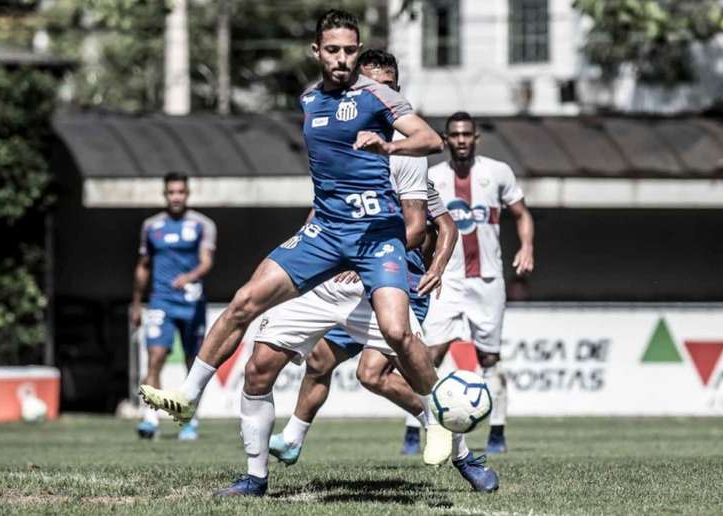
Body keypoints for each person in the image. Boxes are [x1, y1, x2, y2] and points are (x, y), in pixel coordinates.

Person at [140, 7, 443, 478]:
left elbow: (429, 139)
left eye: (350, 50)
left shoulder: (377, 95)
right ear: (317, 51)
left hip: (376, 235)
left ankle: (437, 418)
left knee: (397, 333)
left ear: (358, 52)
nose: (342, 58)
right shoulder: (308, 100)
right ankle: (189, 395)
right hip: (324, 233)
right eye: (334, 50)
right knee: (245, 300)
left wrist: (389, 146)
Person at [261, 51, 497, 493]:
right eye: (371, 86)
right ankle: (292, 438)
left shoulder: (406, 157)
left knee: (378, 373)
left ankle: (461, 451)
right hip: (353, 276)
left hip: (396, 277)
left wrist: (438, 264)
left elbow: (438, 224)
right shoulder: (343, 150)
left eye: (387, 87)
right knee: (320, 360)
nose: (378, 95)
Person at [425, 111, 535, 455]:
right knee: (428, 357)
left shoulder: (497, 172)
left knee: (489, 358)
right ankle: (420, 431)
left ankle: (497, 432)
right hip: (447, 280)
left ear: (476, 139)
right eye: (454, 135)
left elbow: (522, 213)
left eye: (466, 135)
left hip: (487, 280)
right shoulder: (431, 177)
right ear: (445, 140)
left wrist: (527, 247)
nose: (460, 140)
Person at [131, 172, 216, 440]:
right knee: (155, 358)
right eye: (171, 192)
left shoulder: (203, 224)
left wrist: (189, 277)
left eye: (180, 192)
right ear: (165, 195)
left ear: (187, 194)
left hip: (191, 302)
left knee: (193, 362)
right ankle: (150, 419)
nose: (176, 197)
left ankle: (188, 419)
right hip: (160, 301)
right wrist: (136, 303)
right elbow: (143, 266)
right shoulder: (151, 226)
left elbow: (206, 261)